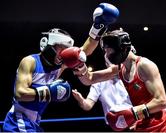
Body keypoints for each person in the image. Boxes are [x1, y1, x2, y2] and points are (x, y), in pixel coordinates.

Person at [2, 3, 120, 132]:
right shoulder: (30, 61)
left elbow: (84, 51)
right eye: (61, 48)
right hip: (18, 122)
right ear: (49, 45)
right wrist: (50, 92)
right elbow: (20, 93)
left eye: (66, 49)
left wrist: (98, 26)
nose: (64, 53)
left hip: (34, 123)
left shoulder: (59, 65)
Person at [97, 28, 166, 132]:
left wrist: (133, 113)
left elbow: (162, 102)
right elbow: (88, 79)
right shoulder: (121, 70)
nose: (107, 55)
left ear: (121, 48)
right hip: (143, 124)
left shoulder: (144, 65)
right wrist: (78, 66)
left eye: (109, 51)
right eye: (106, 51)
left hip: (162, 126)